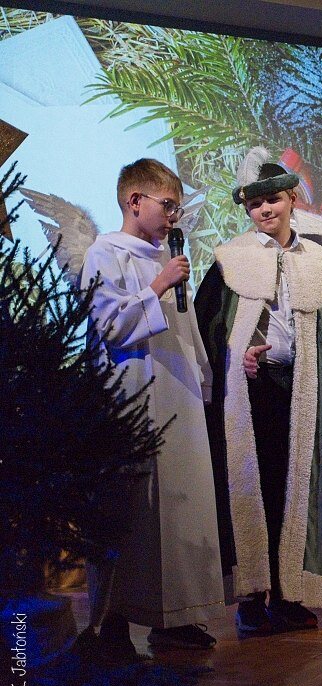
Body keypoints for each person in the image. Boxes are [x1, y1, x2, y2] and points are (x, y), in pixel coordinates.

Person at [196, 149, 322, 635]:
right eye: (255, 203)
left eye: (274, 200)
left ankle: (288, 593)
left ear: (292, 200)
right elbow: (208, 327)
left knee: (293, 489)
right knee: (252, 487)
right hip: (252, 392)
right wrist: (234, 355)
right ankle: (251, 597)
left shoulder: (320, 261)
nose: (265, 210)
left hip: (301, 388)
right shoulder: (230, 260)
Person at [80, 158, 224, 657]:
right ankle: (112, 623)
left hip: (179, 397)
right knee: (133, 513)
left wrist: (203, 377)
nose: (173, 216)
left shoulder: (168, 258)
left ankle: (176, 617)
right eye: (167, 205)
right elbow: (109, 326)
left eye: (177, 207)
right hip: (133, 395)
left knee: (183, 509)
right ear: (134, 200)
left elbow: (185, 326)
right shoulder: (105, 253)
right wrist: (158, 285)